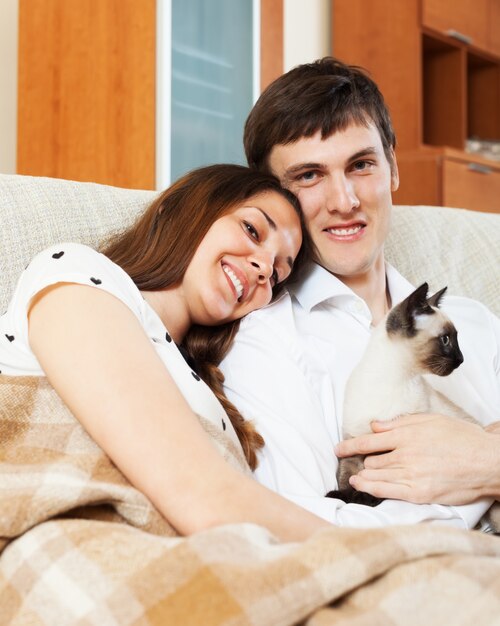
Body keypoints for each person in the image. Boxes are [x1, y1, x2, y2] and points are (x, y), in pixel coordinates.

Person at [220, 58, 500, 529]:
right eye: (309, 175)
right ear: (272, 196)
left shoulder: (474, 319)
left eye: (362, 164)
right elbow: (311, 527)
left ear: (392, 167)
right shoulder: (264, 343)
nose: (345, 201)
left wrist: (482, 461)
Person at [0, 163, 333, 542]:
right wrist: (366, 549)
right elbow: (202, 495)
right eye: (252, 229)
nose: (263, 269)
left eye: (276, 274)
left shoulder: (212, 392)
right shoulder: (79, 273)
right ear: (184, 206)